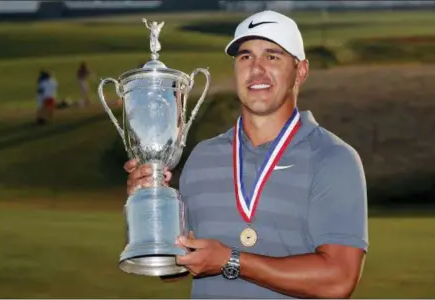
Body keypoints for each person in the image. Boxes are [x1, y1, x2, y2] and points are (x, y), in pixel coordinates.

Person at [125, 10, 368, 299]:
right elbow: (177, 265)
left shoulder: (333, 158)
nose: (256, 69)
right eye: (245, 57)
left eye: (272, 56)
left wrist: (232, 261)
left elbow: (338, 280)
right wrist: (149, 208)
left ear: (300, 71)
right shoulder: (203, 157)